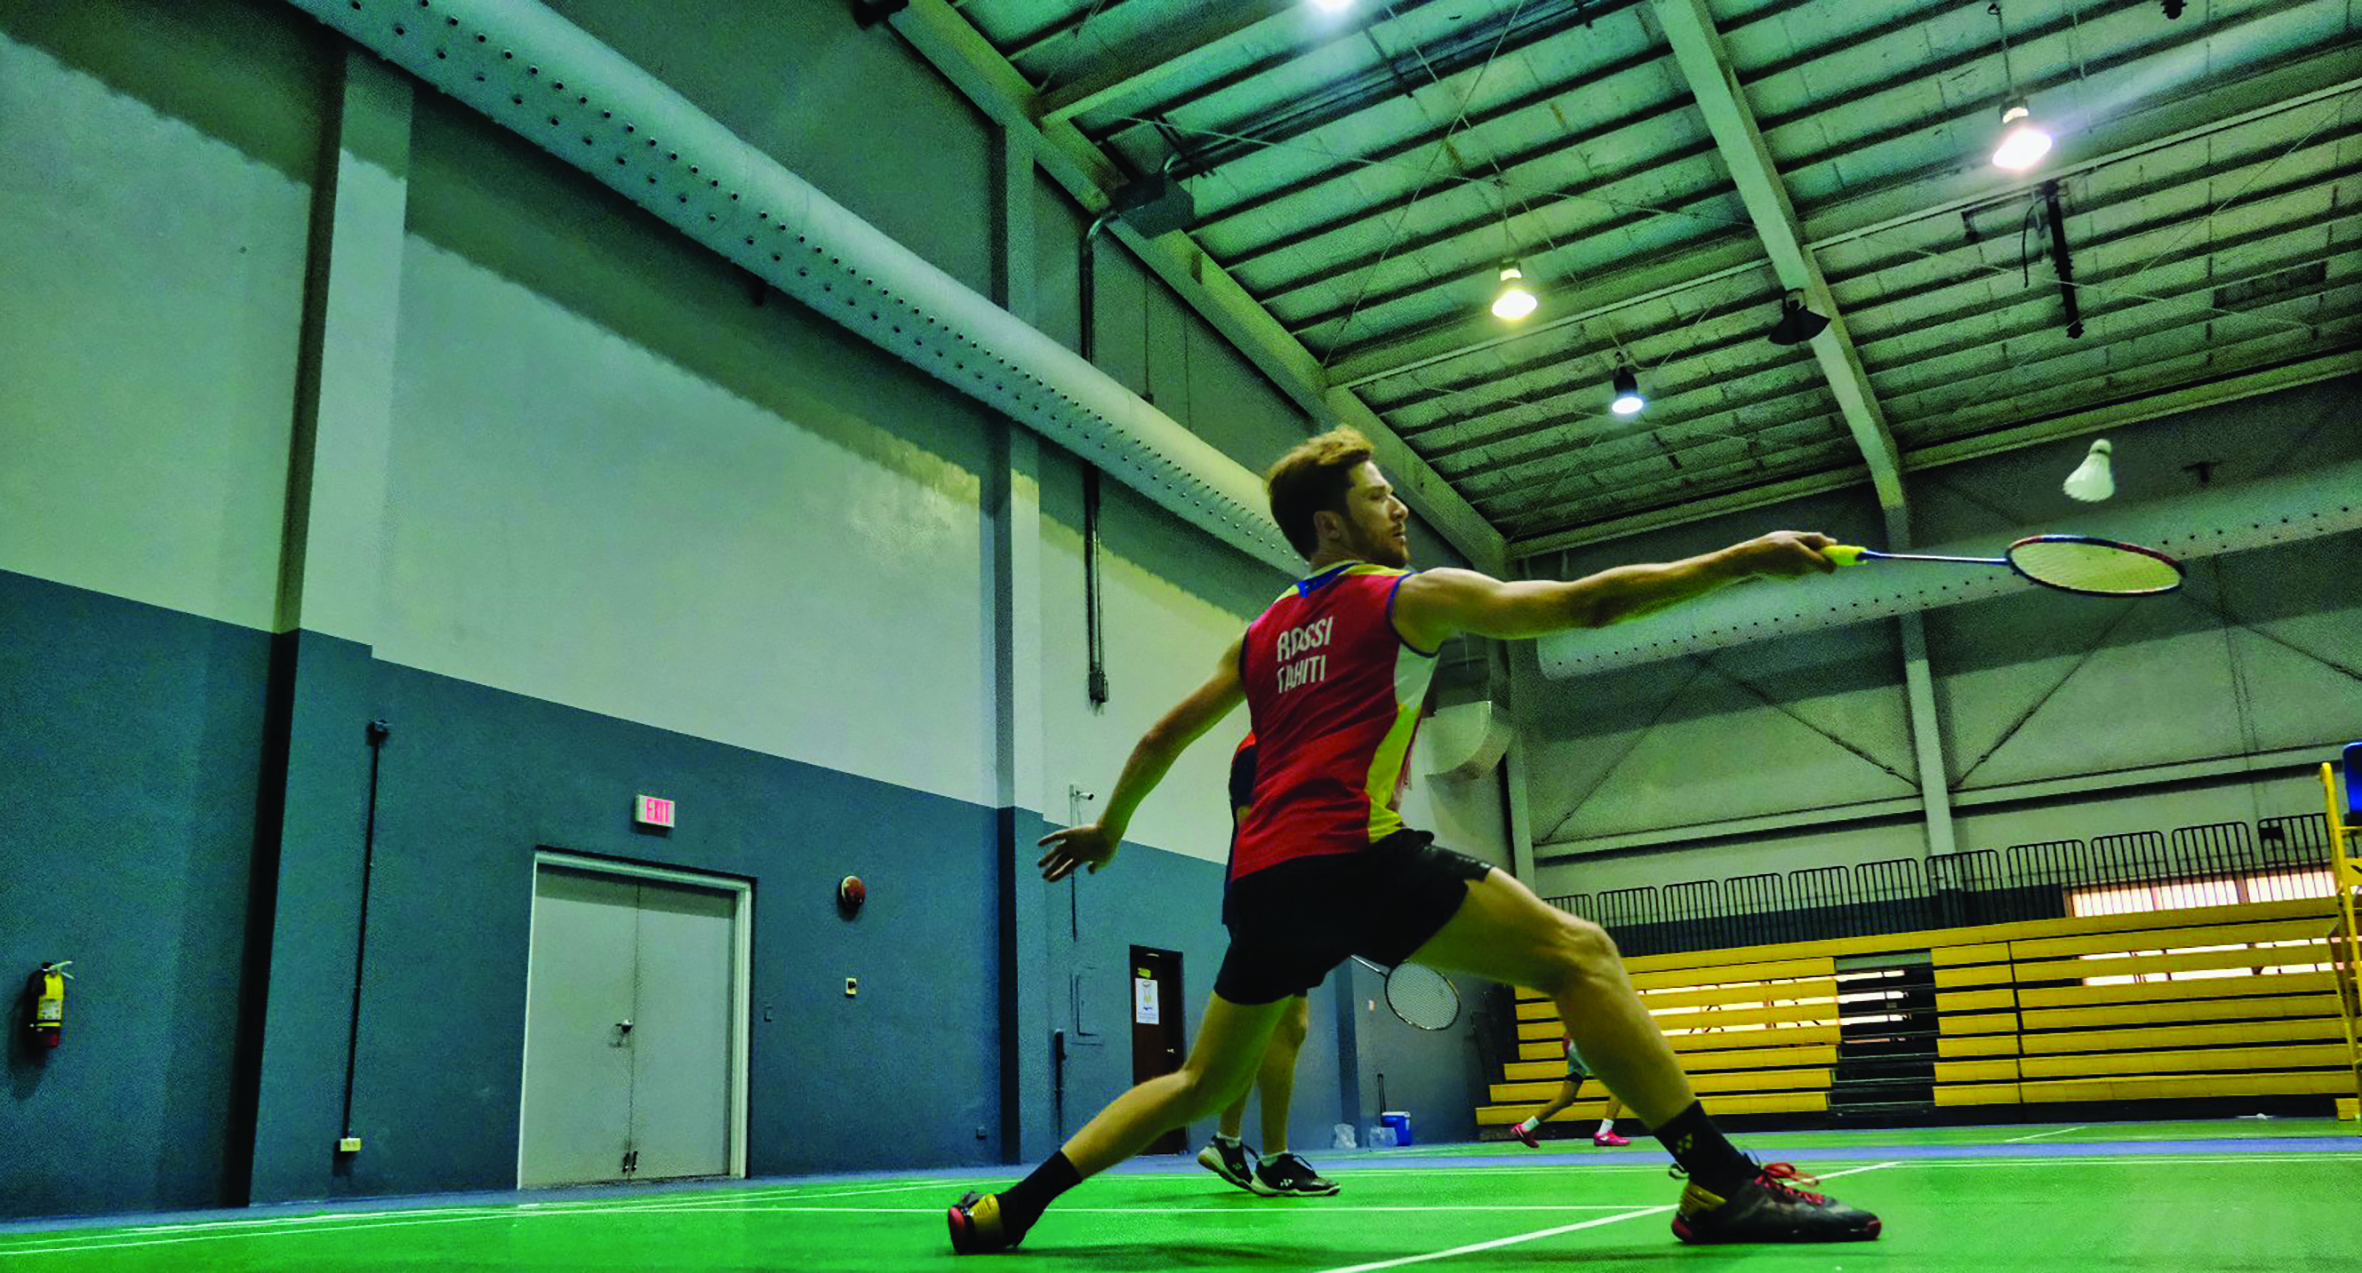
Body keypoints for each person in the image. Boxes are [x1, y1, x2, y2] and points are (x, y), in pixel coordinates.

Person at [947, 426, 1881, 1253]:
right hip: (1354, 857)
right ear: (1328, 526)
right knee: (1582, 955)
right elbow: (1585, 606)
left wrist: (1112, 827)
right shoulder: (1407, 597)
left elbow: (1161, 736)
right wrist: (1745, 558)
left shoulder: (1264, 632)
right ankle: (1723, 1180)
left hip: (1265, 881)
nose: (1397, 504)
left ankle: (1011, 1210)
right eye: (1375, 493)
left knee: (1197, 1080)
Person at [1196, 734, 1338, 1198]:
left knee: (1271, 1026)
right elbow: (1254, 826)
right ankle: (1273, 1159)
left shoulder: (1294, 751)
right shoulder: (1258, 750)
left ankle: (1228, 1140)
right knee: (1288, 1024)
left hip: (1278, 898)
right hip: (1267, 897)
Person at [1511, 1034, 1630, 1148]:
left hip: (1573, 1045)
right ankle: (1604, 1132)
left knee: (1566, 1098)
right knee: (1619, 1084)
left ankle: (1525, 1128)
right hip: (1585, 1045)